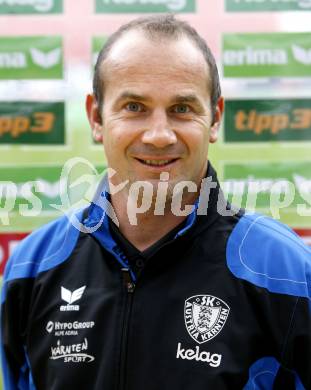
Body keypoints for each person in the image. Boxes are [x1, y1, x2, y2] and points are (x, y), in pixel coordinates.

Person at [1, 14, 310, 390]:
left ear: (215, 119)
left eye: (182, 108)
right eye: (134, 107)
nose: (159, 134)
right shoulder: (31, 268)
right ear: (96, 118)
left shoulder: (285, 271)